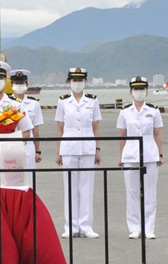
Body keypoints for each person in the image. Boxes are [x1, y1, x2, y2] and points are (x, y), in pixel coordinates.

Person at [55, 67, 101, 239]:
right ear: (69, 82)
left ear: (86, 82)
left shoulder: (93, 101)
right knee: (70, 188)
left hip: (88, 148)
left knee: (86, 188)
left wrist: (97, 149)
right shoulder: (63, 102)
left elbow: (96, 127)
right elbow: (60, 129)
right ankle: (71, 226)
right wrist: (59, 151)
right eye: (74, 80)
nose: (77, 83)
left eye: (80, 80)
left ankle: (86, 226)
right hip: (69, 148)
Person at [117, 76, 164, 240]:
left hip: (150, 154)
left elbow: (157, 134)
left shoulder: (153, 110)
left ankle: (149, 227)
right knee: (132, 192)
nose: (139, 92)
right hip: (130, 155)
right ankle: (135, 227)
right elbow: (122, 136)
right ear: (131, 91)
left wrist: (160, 154)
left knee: (150, 193)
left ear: (146, 90)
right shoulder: (124, 112)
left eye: (142, 89)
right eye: (136, 89)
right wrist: (121, 157)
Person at [10, 69, 44, 188]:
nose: (19, 86)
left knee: (29, 182)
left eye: (22, 83)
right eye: (16, 83)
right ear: (11, 85)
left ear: (27, 85)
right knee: (12, 181)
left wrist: (38, 151)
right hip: (11, 147)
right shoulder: (6, 103)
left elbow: (35, 130)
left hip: (28, 147)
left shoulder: (34, 104)